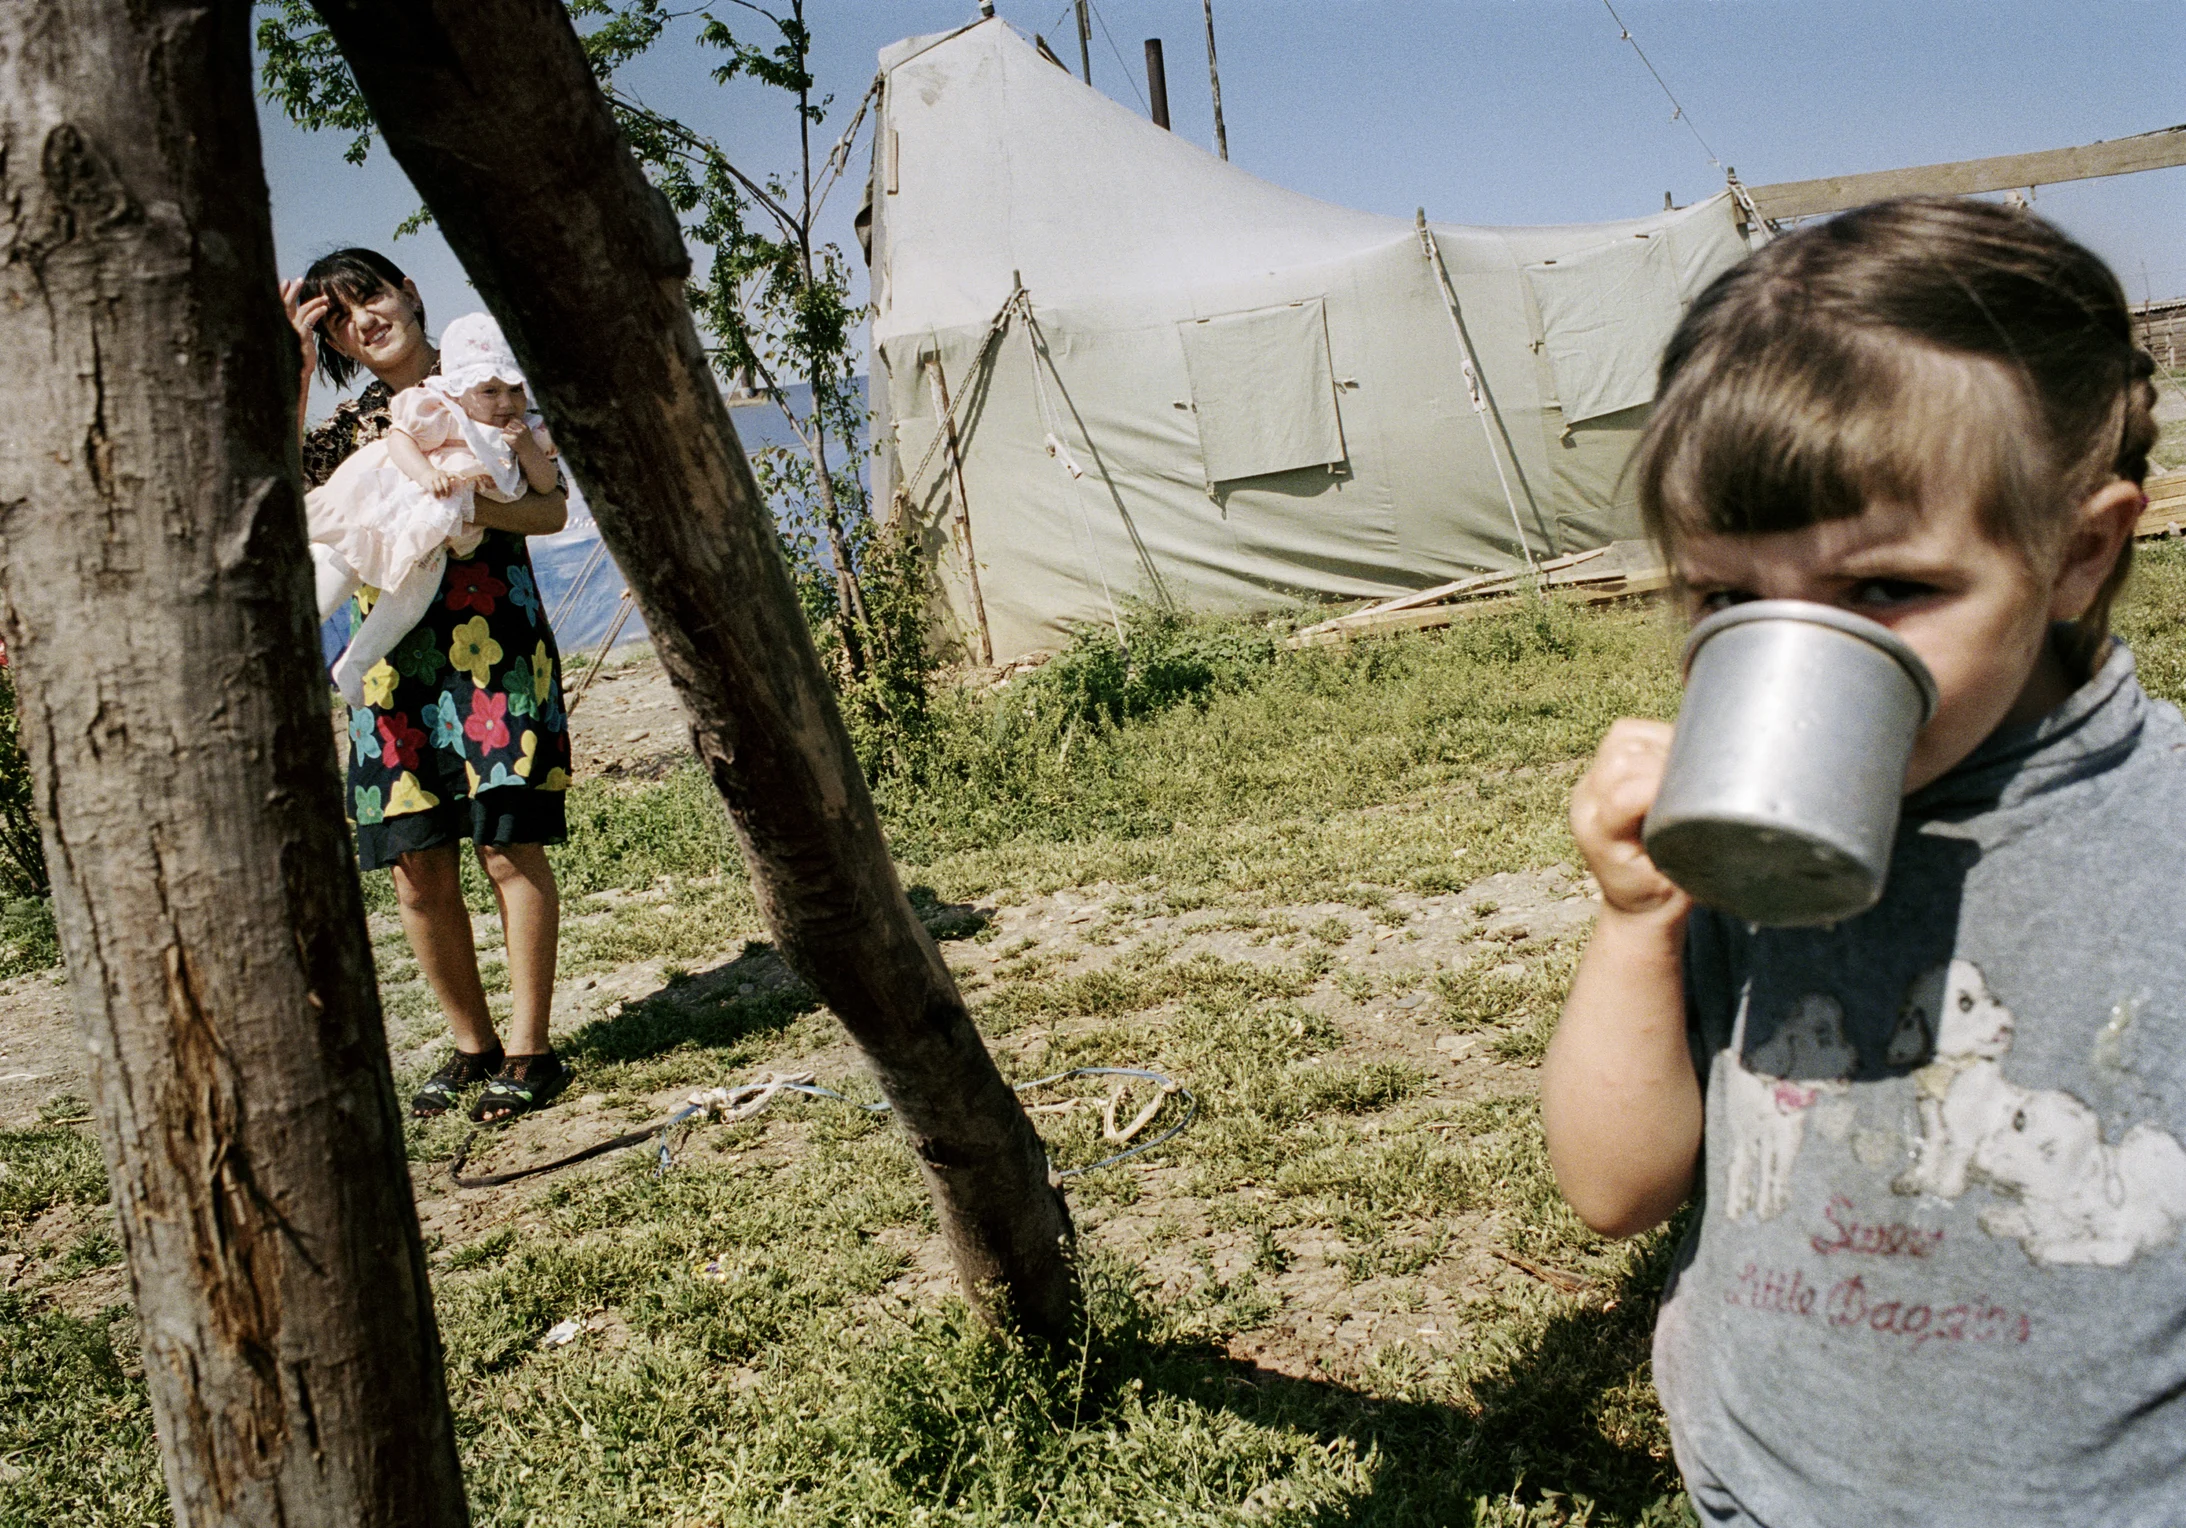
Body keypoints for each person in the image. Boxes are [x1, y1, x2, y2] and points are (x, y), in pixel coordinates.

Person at [1542, 197, 2176, 1524]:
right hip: (1767, 1497)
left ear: (2076, 552)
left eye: (1884, 591)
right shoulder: (1751, 837)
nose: (1798, 659)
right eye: (1726, 599)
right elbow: (1612, 1188)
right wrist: (1636, 923)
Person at [286, 248, 575, 1124]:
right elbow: (277, 490)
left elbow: (552, 508)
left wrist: (466, 506)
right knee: (414, 862)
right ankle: (471, 1048)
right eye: (335, 318)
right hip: (391, 659)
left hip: (495, 638)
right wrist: (295, 373)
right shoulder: (347, 424)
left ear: (408, 291)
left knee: (505, 845)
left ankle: (529, 1053)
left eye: (367, 294)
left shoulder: (487, 383)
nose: (360, 319)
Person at [307, 311, 560, 707]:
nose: (506, 402)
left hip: (451, 564)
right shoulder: (436, 408)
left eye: (515, 389)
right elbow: (400, 440)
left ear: (408, 295)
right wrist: (425, 475)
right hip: (382, 515)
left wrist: (525, 450)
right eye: (490, 392)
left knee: (414, 590)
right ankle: (294, 630)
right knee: (344, 556)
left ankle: (355, 661)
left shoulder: (526, 430)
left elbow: (549, 497)